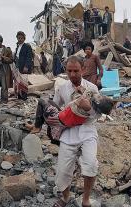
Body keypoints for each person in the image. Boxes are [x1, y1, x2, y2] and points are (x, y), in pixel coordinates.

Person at [44, 56, 101, 207]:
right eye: (69, 71)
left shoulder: (92, 88)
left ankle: (86, 199)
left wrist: (88, 107)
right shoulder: (62, 88)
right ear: (66, 71)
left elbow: (98, 114)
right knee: (63, 171)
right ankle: (65, 197)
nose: (73, 74)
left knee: (90, 164)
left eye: (76, 71)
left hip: (87, 130)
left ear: (83, 69)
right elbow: (54, 108)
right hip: (68, 132)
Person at [26, 86, 114, 139]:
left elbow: (81, 97)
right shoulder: (95, 113)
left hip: (58, 119)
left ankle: (37, 127)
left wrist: (81, 90)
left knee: (42, 101)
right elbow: (76, 100)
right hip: (64, 117)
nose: (99, 96)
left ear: (98, 103)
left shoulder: (86, 105)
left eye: (101, 98)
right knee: (50, 102)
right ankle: (38, 124)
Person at [13, 31, 33, 100]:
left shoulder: (27, 46)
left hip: (24, 67)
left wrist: (26, 66)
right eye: (19, 38)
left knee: (24, 82)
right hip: (17, 67)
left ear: (24, 38)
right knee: (18, 82)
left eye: (21, 38)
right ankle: (19, 96)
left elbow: (29, 57)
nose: (20, 39)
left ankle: (24, 97)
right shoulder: (17, 47)